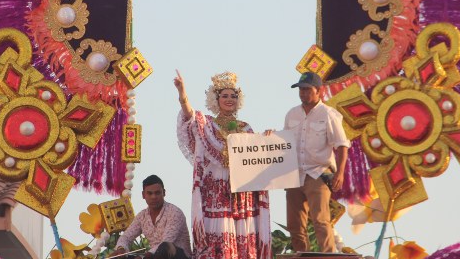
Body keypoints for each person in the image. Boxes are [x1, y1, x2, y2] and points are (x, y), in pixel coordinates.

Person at [174, 70, 271, 259]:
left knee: (243, 235)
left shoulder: (246, 128)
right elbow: (189, 116)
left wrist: (268, 139)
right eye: (224, 96)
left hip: (242, 193)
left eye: (233, 96)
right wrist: (182, 93)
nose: (229, 99)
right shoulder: (207, 125)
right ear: (215, 100)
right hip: (216, 190)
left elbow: (257, 160)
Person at [284, 71, 350, 253]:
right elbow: (283, 143)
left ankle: (328, 255)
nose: (303, 93)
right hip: (295, 175)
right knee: (295, 224)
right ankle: (302, 255)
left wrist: (340, 173)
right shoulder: (292, 114)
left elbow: (342, 145)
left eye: (307, 89)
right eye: (300, 90)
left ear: (319, 91)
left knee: (320, 219)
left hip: (318, 173)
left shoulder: (329, 114)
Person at [113, 175, 192, 259]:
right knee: (116, 257)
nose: (153, 197)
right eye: (150, 193)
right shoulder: (142, 216)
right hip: (152, 256)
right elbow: (126, 237)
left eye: (157, 193)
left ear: (164, 193)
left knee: (165, 247)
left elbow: (166, 242)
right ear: (143, 195)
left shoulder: (175, 212)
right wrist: (121, 249)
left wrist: (143, 257)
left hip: (176, 256)